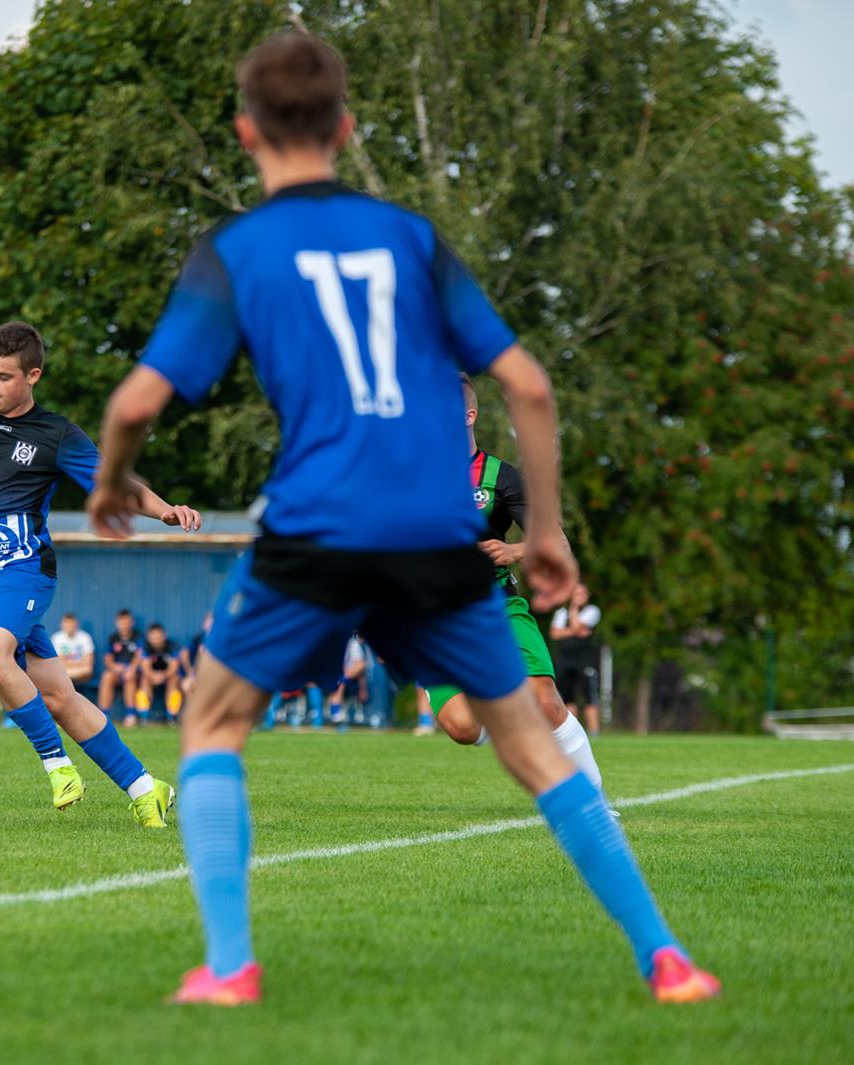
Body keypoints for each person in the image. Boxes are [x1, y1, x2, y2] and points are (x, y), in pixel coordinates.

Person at [86, 31, 717, 1004]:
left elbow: (132, 407)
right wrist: (547, 533)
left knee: (211, 724)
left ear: (247, 130)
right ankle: (664, 959)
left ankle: (228, 969)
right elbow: (530, 388)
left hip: (316, 530)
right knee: (532, 749)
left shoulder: (237, 248)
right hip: (434, 534)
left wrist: (108, 485)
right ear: (344, 126)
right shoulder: (411, 240)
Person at [0, 319, 197, 826]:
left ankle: (58, 767)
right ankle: (144, 787)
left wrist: (165, 511)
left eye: (3, 376)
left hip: (24, 571)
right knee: (57, 695)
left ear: (33, 375)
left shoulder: (56, 434)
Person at [424, 376, 606, 791]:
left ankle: (594, 803)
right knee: (461, 727)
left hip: (497, 606)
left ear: (469, 415)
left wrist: (513, 551)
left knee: (544, 700)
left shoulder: (502, 477)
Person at [551, 583, 604, 735]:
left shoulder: (592, 611)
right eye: (575, 594)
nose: (578, 598)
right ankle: (572, 732)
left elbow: (575, 625)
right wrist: (575, 631)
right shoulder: (561, 612)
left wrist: (573, 617)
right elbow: (555, 634)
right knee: (567, 697)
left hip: (585, 659)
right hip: (565, 659)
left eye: (581, 594)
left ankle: (594, 732)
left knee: (589, 695)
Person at [99, 608, 143, 720]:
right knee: (107, 676)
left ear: (132, 622)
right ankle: (103, 715)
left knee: (130, 678)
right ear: (117, 623)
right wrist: (114, 667)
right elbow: (108, 658)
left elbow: (140, 655)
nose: (125, 625)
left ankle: (130, 715)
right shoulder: (113, 638)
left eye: (127, 622)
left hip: (133, 672)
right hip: (117, 672)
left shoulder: (138, 637)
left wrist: (131, 669)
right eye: (122, 622)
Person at [137, 622, 183, 723]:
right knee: (144, 679)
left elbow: (174, 666)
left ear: (164, 635)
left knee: (174, 679)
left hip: (168, 676)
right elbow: (145, 667)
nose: (156, 640)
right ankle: (144, 716)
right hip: (151, 676)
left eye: (159, 637)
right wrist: (153, 676)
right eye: (153, 637)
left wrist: (163, 676)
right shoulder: (145, 646)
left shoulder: (172, 645)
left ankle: (172, 715)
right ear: (149, 637)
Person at [51, 613, 96, 699]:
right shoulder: (57, 638)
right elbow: (58, 662)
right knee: (58, 675)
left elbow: (88, 663)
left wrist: (67, 665)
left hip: (80, 675)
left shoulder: (85, 637)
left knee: (86, 670)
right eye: (67, 624)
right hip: (70, 671)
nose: (69, 626)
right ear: (62, 625)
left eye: (71, 624)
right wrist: (78, 664)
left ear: (76, 624)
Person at [179, 611, 213, 697]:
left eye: (213, 624)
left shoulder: (224, 640)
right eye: (208, 623)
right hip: (197, 674)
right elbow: (184, 653)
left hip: (215, 675)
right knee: (187, 685)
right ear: (204, 624)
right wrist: (190, 670)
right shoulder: (197, 638)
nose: (210, 627)